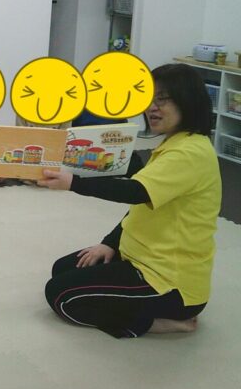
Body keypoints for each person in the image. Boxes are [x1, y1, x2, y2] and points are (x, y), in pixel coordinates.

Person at [39, 63, 221, 338]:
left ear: (188, 101)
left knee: (60, 296)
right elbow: (141, 208)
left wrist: (73, 183)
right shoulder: (174, 143)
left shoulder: (190, 153)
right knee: (61, 269)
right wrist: (109, 244)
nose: (152, 108)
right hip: (138, 256)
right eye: (149, 99)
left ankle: (161, 323)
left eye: (163, 99)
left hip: (166, 280)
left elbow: (135, 192)